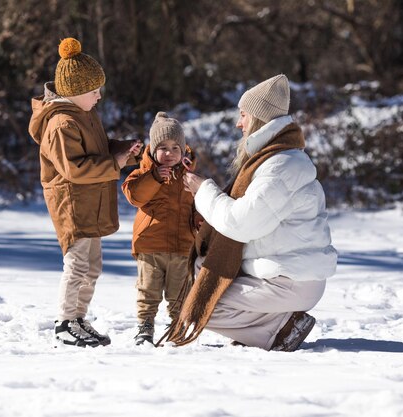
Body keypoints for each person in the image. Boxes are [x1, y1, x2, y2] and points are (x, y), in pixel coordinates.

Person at [161, 74, 337, 351]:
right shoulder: (276, 159)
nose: (238, 123)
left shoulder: (280, 166)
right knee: (201, 276)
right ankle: (273, 324)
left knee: (201, 305)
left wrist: (203, 190)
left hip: (291, 281)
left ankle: (281, 329)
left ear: (258, 118)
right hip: (285, 274)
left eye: (243, 115)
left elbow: (240, 223)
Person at [28, 37, 142, 348]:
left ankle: (78, 317)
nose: (100, 96)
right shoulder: (62, 124)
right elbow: (74, 169)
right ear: (76, 92)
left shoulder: (84, 115)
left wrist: (125, 151)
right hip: (72, 204)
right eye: (94, 92)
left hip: (90, 201)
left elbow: (99, 150)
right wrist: (115, 162)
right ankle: (65, 322)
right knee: (78, 264)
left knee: (92, 265)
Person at [121, 112, 199, 345]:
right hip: (150, 245)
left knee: (179, 293)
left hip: (182, 246)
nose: (169, 153)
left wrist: (200, 222)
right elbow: (135, 196)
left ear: (184, 150)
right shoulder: (143, 174)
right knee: (148, 291)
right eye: (163, 147)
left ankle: (178, 326)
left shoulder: (189, 177)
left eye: (176, 147)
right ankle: (145, 326)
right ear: (153, 150)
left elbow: (199, 204)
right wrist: (154, 177)